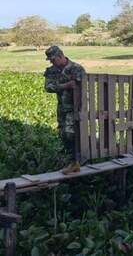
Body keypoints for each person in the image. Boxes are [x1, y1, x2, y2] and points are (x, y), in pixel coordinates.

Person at [44, 46, 86, 174]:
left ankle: (77, 161)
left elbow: (82, 88)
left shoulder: (76, 68)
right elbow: (48, 87)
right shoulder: (51, 71)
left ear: (61, 56)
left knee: (70, 133)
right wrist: (65, 85)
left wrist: (79, 108)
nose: (52, 63)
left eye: (54, 60)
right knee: (63, 134)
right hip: (62, 107)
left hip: (74, 107)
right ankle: (72, 161)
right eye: (50, 60)